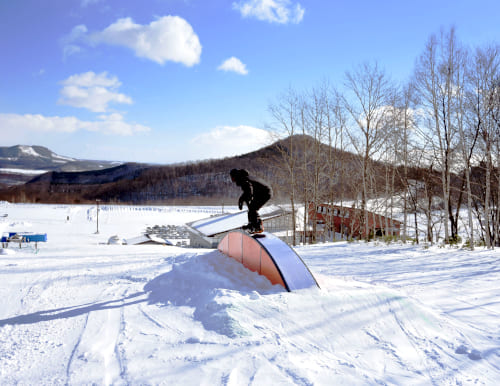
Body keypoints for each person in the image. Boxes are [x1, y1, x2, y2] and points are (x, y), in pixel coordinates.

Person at [230, 168, 272, 233]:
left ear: (234, 176)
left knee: (252, 208)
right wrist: (242, 199)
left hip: (265, 192)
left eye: (232, 177)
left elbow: (249, 189)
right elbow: (247, 191)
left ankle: (257, 226)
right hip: (263, 191)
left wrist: (246, 198)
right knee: (251, 208)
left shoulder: (242, 179)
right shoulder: (245, 178)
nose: (232, 179)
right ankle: (253, 224)